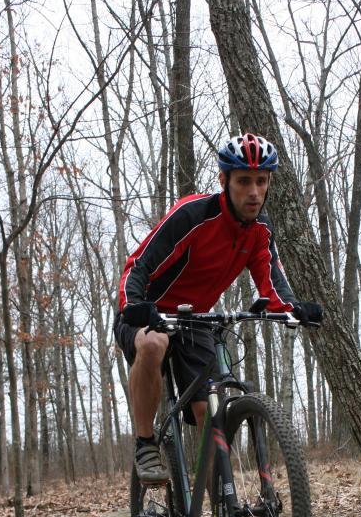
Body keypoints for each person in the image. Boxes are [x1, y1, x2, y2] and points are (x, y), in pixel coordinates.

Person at [114, 132, 322, 482]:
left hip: (194, 319)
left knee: (208, 414)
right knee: (153, 344)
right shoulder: (194, 214)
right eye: (244, 181)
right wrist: (134, 305)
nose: (253, 192)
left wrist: (293, 308)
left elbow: (270, 280)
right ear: (224, 180)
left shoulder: (259, 231)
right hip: (147, 311)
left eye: (261, 181)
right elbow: (138, 265)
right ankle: (146, 442)